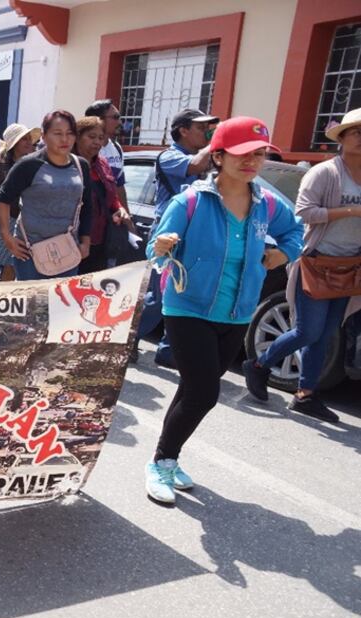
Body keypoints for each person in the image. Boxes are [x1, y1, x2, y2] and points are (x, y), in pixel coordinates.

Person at [144, 116, 303, 504]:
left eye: (260, 154)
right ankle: (160, 462)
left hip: (238, 313)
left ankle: (167, 456)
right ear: (218, 156)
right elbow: (153, 251)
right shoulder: (191, 201)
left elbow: (297, 231)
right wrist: (163, 246)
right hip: (188, 308)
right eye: (243, 154)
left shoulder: (266, 203)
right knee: (204, 392)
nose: (252, 161)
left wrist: (283, 252)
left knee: (192, 388)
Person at [243, 107, 361, 423]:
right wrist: (350, 212)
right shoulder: (324, 173)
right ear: (343, 138)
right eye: (357, 133)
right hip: (316, 262)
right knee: (307, 331)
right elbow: (304, 213)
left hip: (349, 266)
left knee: (326, 335)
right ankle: (258, 364)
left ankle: (306, 395)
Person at [143, 108, 220, 367]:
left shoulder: (211, 159)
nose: (207, 133)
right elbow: (195, 166)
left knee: (181, 293)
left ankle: (168, 351)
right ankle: (128, 338)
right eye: (201, 128)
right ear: (183, 130)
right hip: (169, 233)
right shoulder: (170, 156)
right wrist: (219, 137)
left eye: (209, 128)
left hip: (196, 233)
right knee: (157, 296)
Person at [0, 110, 94, 281]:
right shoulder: (28, 165)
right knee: (34, 305)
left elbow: (87, 205)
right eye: (57, 134)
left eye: (69, 133)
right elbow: (3, 199)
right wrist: (7, 237)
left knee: (61, 304)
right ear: (43, 135)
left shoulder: (81, 166)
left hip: (68, 250)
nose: (64, 139)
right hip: (30, 250)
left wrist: (85, 241)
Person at [0, 123, 40, 282]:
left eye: (28, 139)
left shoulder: (33, 163)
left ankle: (1, 299)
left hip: (21, 219)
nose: (28, 142)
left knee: (12, 260)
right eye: (23, 139)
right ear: (13, 143)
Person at [73, 116, 133, 273]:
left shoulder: (103, 164)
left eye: (100, 138)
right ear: (77, 137)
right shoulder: (66, 164)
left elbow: (112, 198)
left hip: (101, 241)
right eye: (91, 137)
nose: (97, 142)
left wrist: (120, 209)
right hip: (72, 243)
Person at [84, 99, 128, 208]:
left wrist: (126, 215)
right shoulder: (82, 147)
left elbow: (119, 186)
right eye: (115, 117)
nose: (120, 122)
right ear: (99, 120)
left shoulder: (116, 148)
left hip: (108, 219)